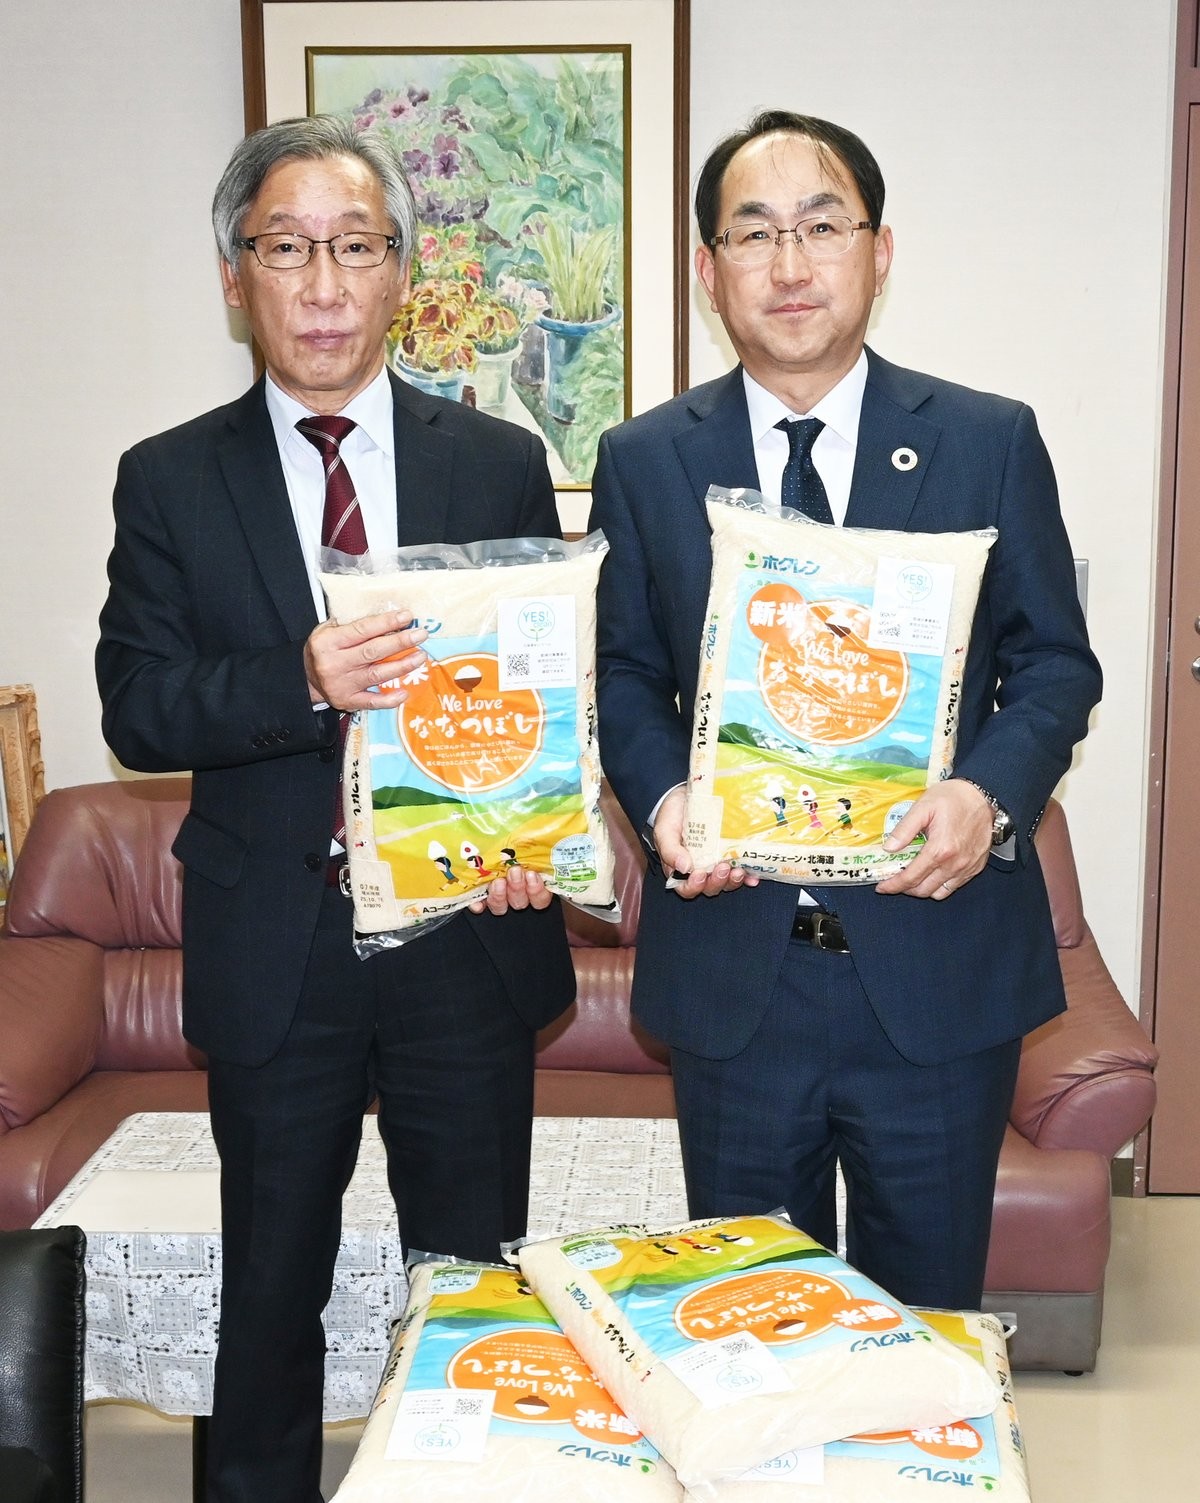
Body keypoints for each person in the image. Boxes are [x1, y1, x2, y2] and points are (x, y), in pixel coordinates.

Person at [96, 114, 576, 1503]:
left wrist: (530, 834)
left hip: (461, 937)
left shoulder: (494, 458)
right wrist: (299, 677)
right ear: (233, 275)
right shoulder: (169, 476)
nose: (322, 285)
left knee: (469, 1290)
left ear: (399, 274)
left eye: (355, 248)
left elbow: (535, 686)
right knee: (270, 1295)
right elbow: (140, 705)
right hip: (277, 946)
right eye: (286, 248)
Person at [590, 110, 1101, 1313]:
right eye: (754, 233)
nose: (791, 263)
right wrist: (663, 802)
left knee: (924, 1330)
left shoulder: (986, 440)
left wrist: (987, 798)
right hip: (737, 973)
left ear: (879, 252)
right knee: (752, 1330)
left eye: (822, 226)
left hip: (937, 966)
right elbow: (619, 674)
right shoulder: (647, 458)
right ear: (710, 269)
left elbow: (1055, 666)